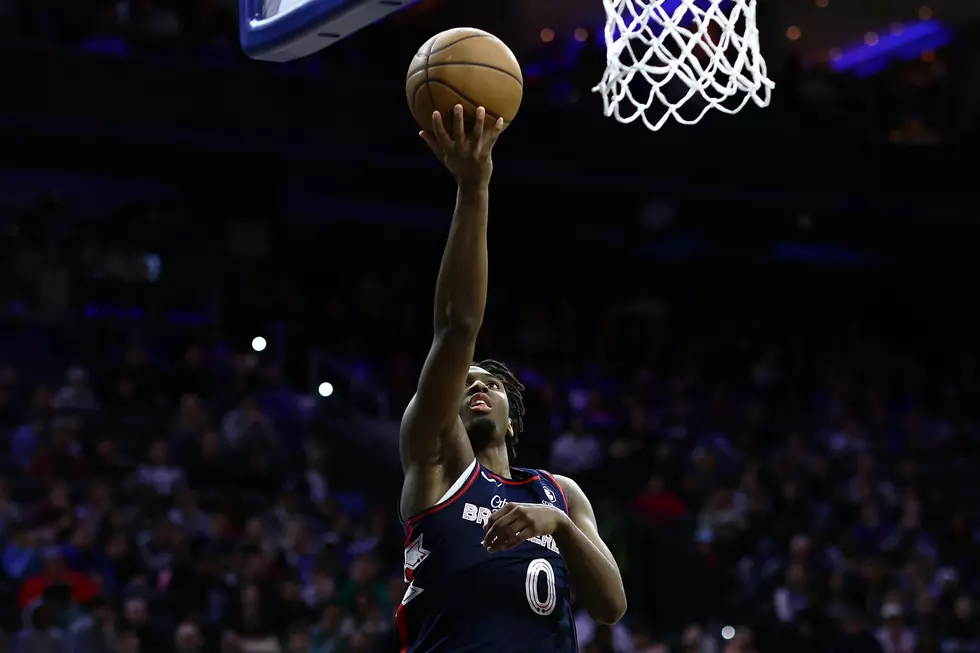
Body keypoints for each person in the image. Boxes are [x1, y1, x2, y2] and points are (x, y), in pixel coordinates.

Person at [395, 104, 627, 652]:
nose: (476, 385)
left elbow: (612, 607)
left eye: (492, 383)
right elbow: (457, 328)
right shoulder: (436, 460)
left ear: (512, 414)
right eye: (466, 382)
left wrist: (561, 526)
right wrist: (474, 187)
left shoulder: (560, 493)